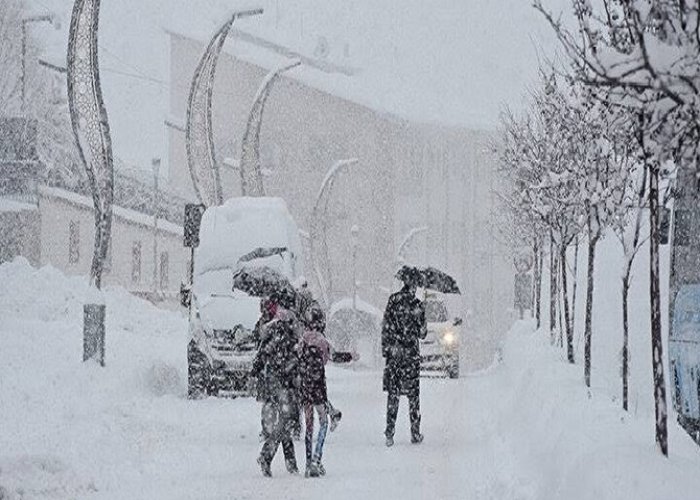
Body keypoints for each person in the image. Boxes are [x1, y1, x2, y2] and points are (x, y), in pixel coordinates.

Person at [250, 295, 302, 477]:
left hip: (274, 380)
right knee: (286, 420)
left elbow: (262, 352)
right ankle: (268, 455)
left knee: (284, 421)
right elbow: (290, 356)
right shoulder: (284, 331)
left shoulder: (271, 328)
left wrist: (255, 371)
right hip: (283, 382)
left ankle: (290, 463)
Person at [381, 273, 427, 447]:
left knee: (393, 394)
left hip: (395, 356)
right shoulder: (418, 306)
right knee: (413, 396)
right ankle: (415, 432)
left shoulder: (393, 301)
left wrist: (387, 351)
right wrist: (421, 322)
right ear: (413, 286)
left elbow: (385, 327)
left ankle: (389, 432)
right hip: (411, 356)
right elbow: (423, 334)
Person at [299, 306, 332, 477]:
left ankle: (307, 462)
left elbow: (297, 359)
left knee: (309, 426)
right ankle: (317, 458)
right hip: (319, 388)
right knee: (323, 422)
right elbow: (328, 358)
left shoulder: (302, 339)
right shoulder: (322, 341)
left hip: (305, 388)